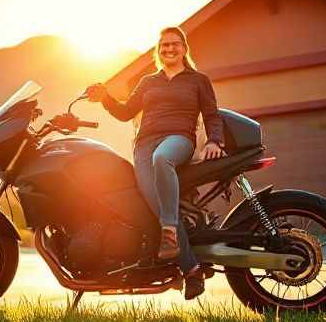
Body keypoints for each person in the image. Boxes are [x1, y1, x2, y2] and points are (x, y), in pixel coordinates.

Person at [86, 26, 225, 300]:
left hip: (178, 140)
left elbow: (211, 115)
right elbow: (126, 112)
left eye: (174, 44)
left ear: (184, 49)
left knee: (163, 159)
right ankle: (192, 270)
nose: (169, 49)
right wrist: (104, 98)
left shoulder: (198, 80)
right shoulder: (149, 82)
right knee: (156, 205)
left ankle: (170, 232)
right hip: (144, 147)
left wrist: (214, 141)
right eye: (164, 46)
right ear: (158, 52)